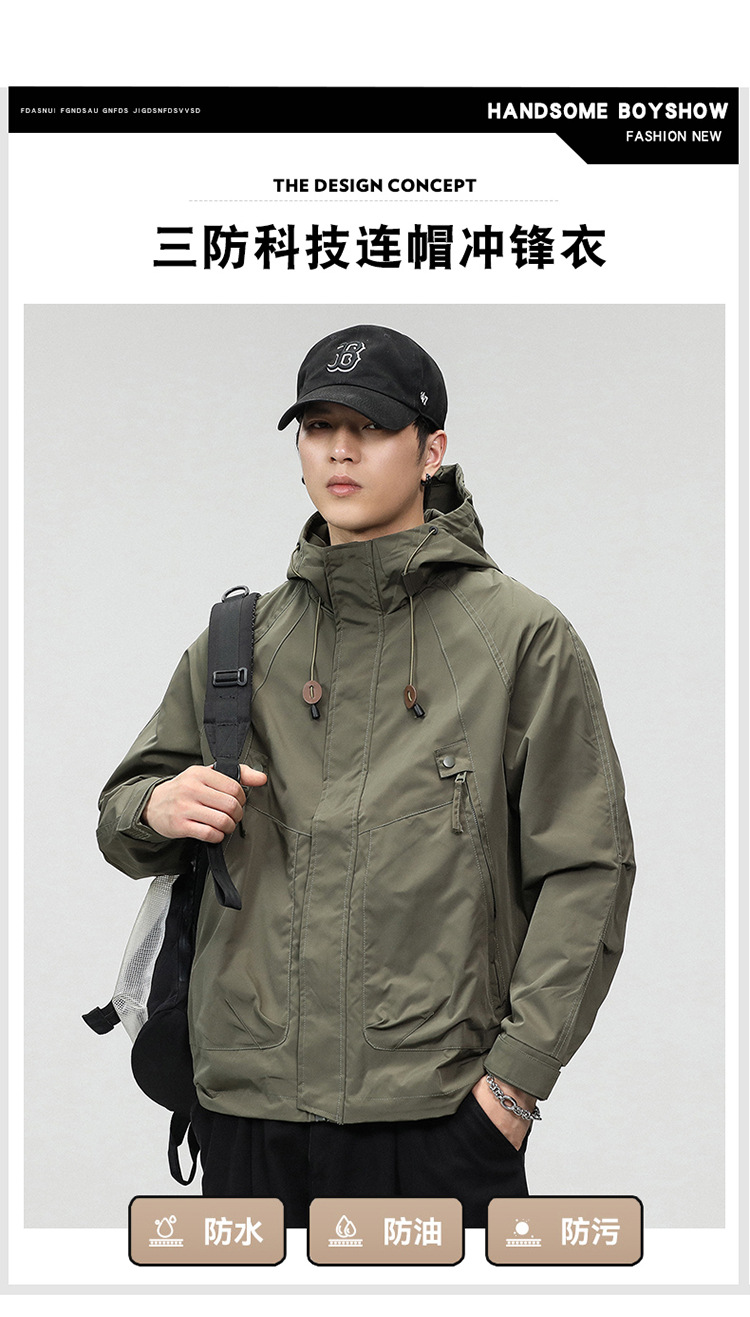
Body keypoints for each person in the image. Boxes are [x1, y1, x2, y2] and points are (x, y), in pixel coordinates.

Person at [97, 324, 635, 1227]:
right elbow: (121, 819)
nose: (339, 449)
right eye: (318, 426)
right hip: (247, 1113)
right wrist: (158, 804)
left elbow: (589, 869)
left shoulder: (521, 639)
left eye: (372, 426)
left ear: (432, 449)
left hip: (436, 1117)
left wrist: (513, 1086)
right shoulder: (239, 641)